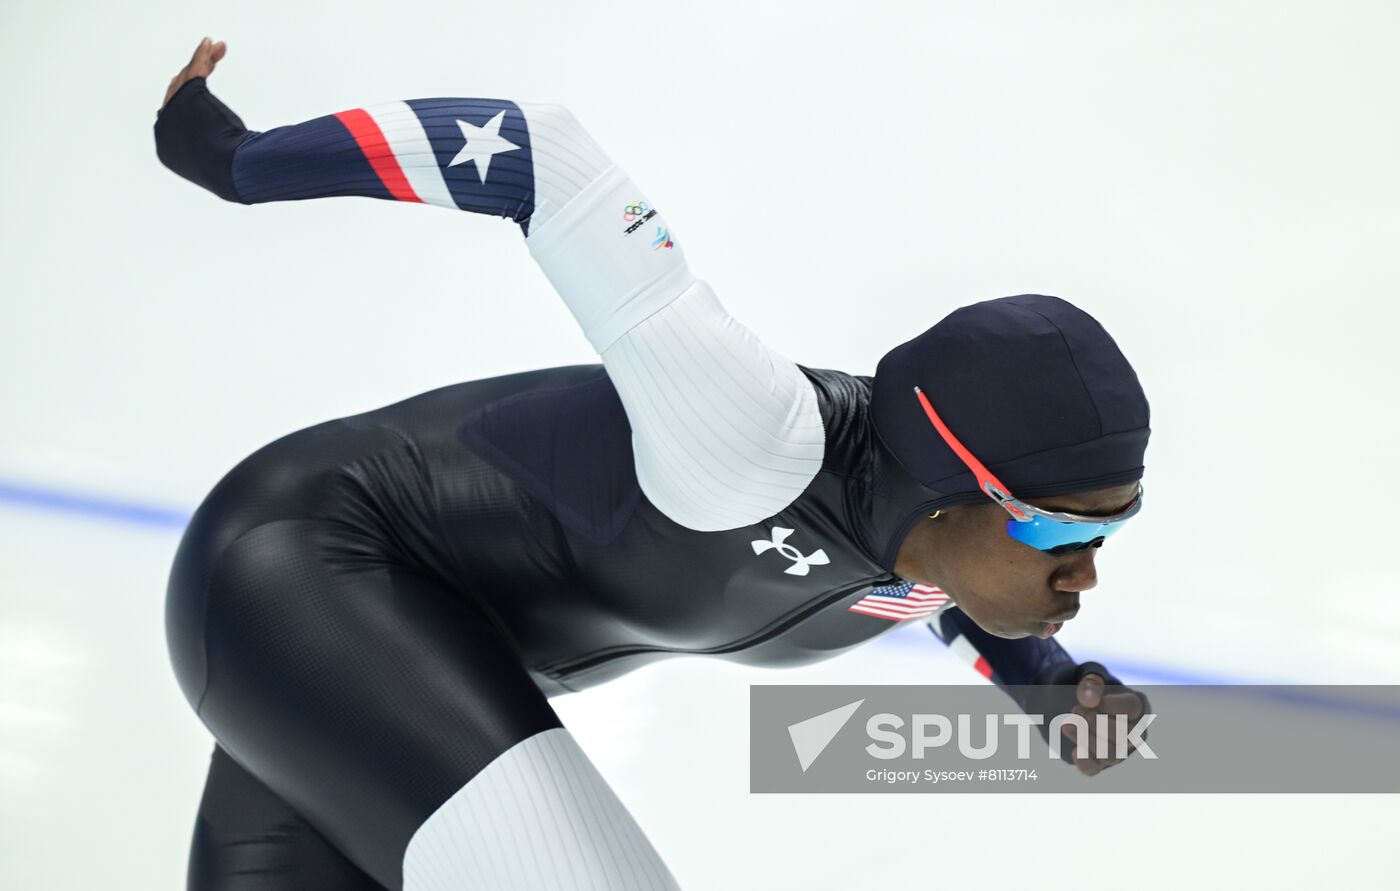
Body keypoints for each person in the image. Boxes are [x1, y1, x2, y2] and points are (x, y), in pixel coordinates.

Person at [157, 36, 1151, 891]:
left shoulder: (945, 539)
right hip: (308, 573)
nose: (1086, 569)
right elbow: (543, 161)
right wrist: (231, 156)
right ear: (949, 486)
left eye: (1109, 529)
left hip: (416, 664)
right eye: (1062, 528)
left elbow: (953, 593)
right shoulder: (751, 436)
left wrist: (1054, 690)